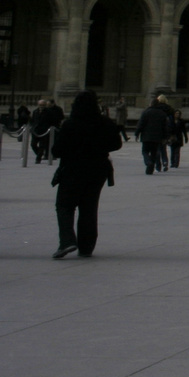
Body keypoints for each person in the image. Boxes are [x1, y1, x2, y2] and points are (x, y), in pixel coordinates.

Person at [50, 90, 122, 259]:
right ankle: (86, 246)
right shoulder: (105, 123)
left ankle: (67, 240)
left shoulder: (70, 124)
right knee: (89, 207)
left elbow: (57, 150)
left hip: (73, 169)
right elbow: (117, 144)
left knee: (65, 205)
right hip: (98, 170)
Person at [135, 96, 170, 175]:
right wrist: (165, 137)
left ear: (151, 104)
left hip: (146, 136)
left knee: (145, 151)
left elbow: (141, 124)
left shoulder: (146, 112)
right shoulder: (162, 114)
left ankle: (148, 162)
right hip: (157, 137)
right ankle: (150, 170)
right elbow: (165, 127)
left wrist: (137, 133)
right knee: (154, 153)